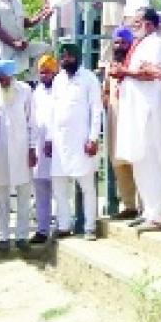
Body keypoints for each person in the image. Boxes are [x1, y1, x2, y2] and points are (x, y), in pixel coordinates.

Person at [115, 8, 161, 232]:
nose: (133, 26)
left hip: (149, 111)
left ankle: (156, 215)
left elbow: (150, 74)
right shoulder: (141, 44)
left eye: (136, 22)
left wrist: (124, 72)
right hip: (136, 112)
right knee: (139, 161)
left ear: (148, 23)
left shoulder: (155, 43)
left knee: (150, 161)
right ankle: (148, 211)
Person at [48, 42, 101, 239]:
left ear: (77, 57)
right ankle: (63, 225)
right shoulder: (58, 80)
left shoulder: (89, 79)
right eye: (63, 57)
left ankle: (89, 227)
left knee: (87, 186)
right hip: (60, 143)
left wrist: (93, 138)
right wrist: (49, 139)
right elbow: (53, 111)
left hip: (82, 142)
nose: (65, 60)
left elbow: (96, 110)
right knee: (59, 185)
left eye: (69, 56)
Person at [0, 59, 35, 251]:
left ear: (12, 76)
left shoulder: (25, 90)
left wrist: (32, 148)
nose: (3, 81)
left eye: (6, 77)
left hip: (22, 149)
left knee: (24, 193)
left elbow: (32, 121)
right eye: (0, 78)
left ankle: (22, 235)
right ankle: (3, 237)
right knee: (1, 195)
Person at [104, 28, 139, 219]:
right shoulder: (111, 65)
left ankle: (144, 206)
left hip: (131, 118)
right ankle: (129, 205)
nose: (119, 46)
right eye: (116, 43)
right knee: (118, 162)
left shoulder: (133, 65)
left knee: (135, 160)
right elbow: (107, 91)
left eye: (123, 43)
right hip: (114, 117)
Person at [31, 54, 57, 243]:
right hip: (39, 147)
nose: (44, 75)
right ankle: (42, 230)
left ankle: (62, 226)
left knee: (58, 188)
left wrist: (51, 139)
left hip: (56, 146)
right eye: (42, 72)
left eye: (48, 71)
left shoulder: (60, 89)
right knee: (40, 190)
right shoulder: (37, 91)